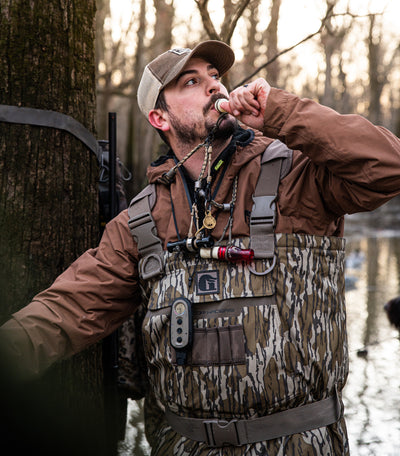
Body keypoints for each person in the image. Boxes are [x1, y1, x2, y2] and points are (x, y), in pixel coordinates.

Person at [1, 39, 400, 455]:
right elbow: (68, 308)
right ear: (159, 117)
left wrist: (281, 112)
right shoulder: (140, 220)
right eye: (191, 81)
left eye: (214, 76)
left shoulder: (296, 176)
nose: (214, 85)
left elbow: (389, 166)